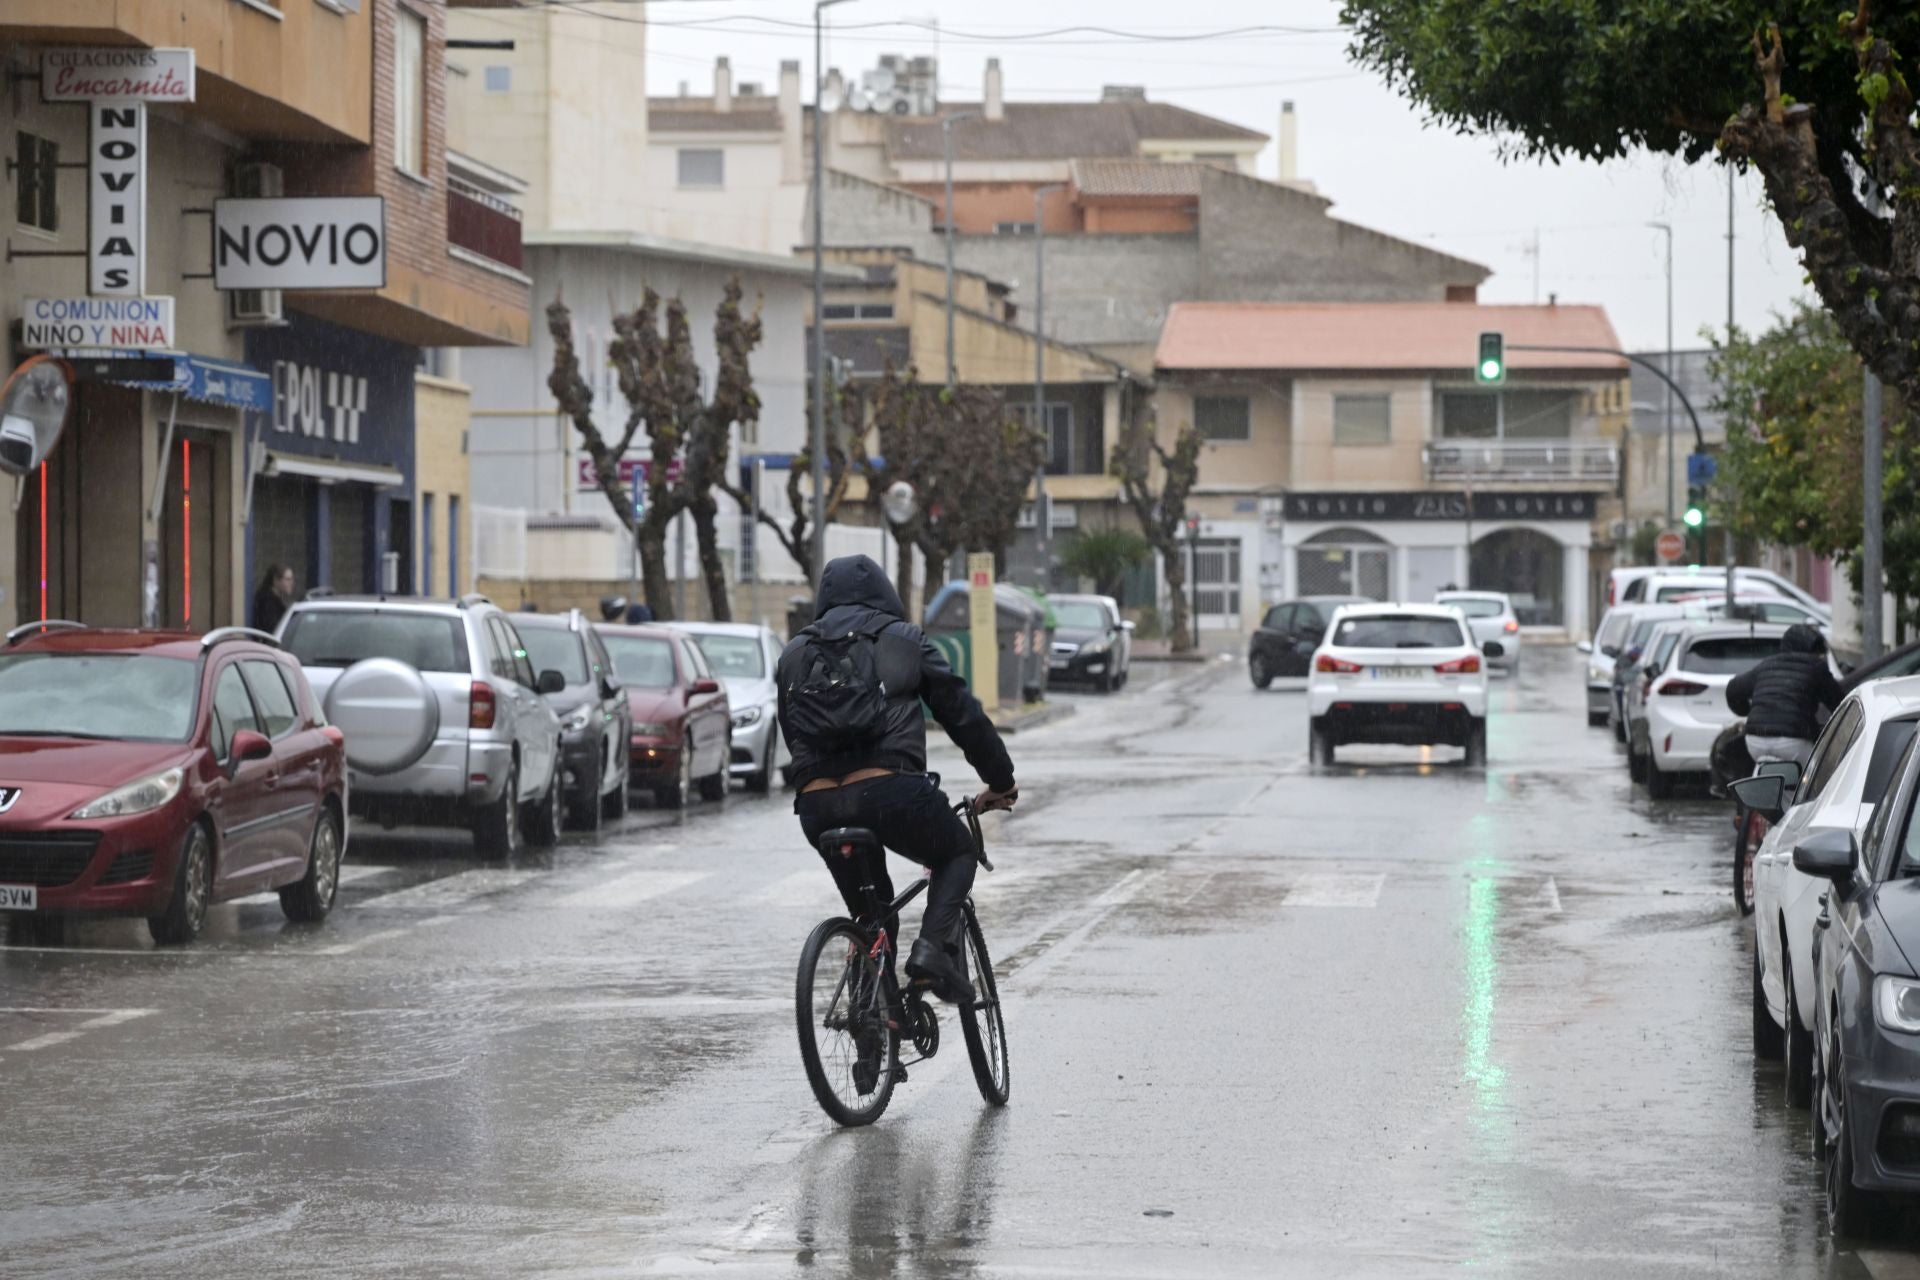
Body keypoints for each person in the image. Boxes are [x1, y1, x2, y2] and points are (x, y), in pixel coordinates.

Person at [777, 554, 1017, 1007]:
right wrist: (1000, 780)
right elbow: (961, 714)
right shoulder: (905, 640)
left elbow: (791, 737)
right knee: (958, 852)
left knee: (871, 916)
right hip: (891, 794)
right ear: (885, 593)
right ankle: (930, 952)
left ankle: (871, 1024)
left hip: (818, 807)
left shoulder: (793, 654)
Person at [1726, 623, 1842, 767]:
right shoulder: (1816, 667)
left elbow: (1732, 689)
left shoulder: (1767, 664)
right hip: (1794, 742)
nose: (1819, 656)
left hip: (1755, 740)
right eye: (1817, 651)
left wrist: (1746, 711)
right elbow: (1838, 703)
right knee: (1818, 776)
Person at [251, 565, 294, 634]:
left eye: (291, 579)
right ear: (276, 580)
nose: (291, 583)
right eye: (287, 579)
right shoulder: (267, 601)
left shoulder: (275, 600)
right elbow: (272, 626)